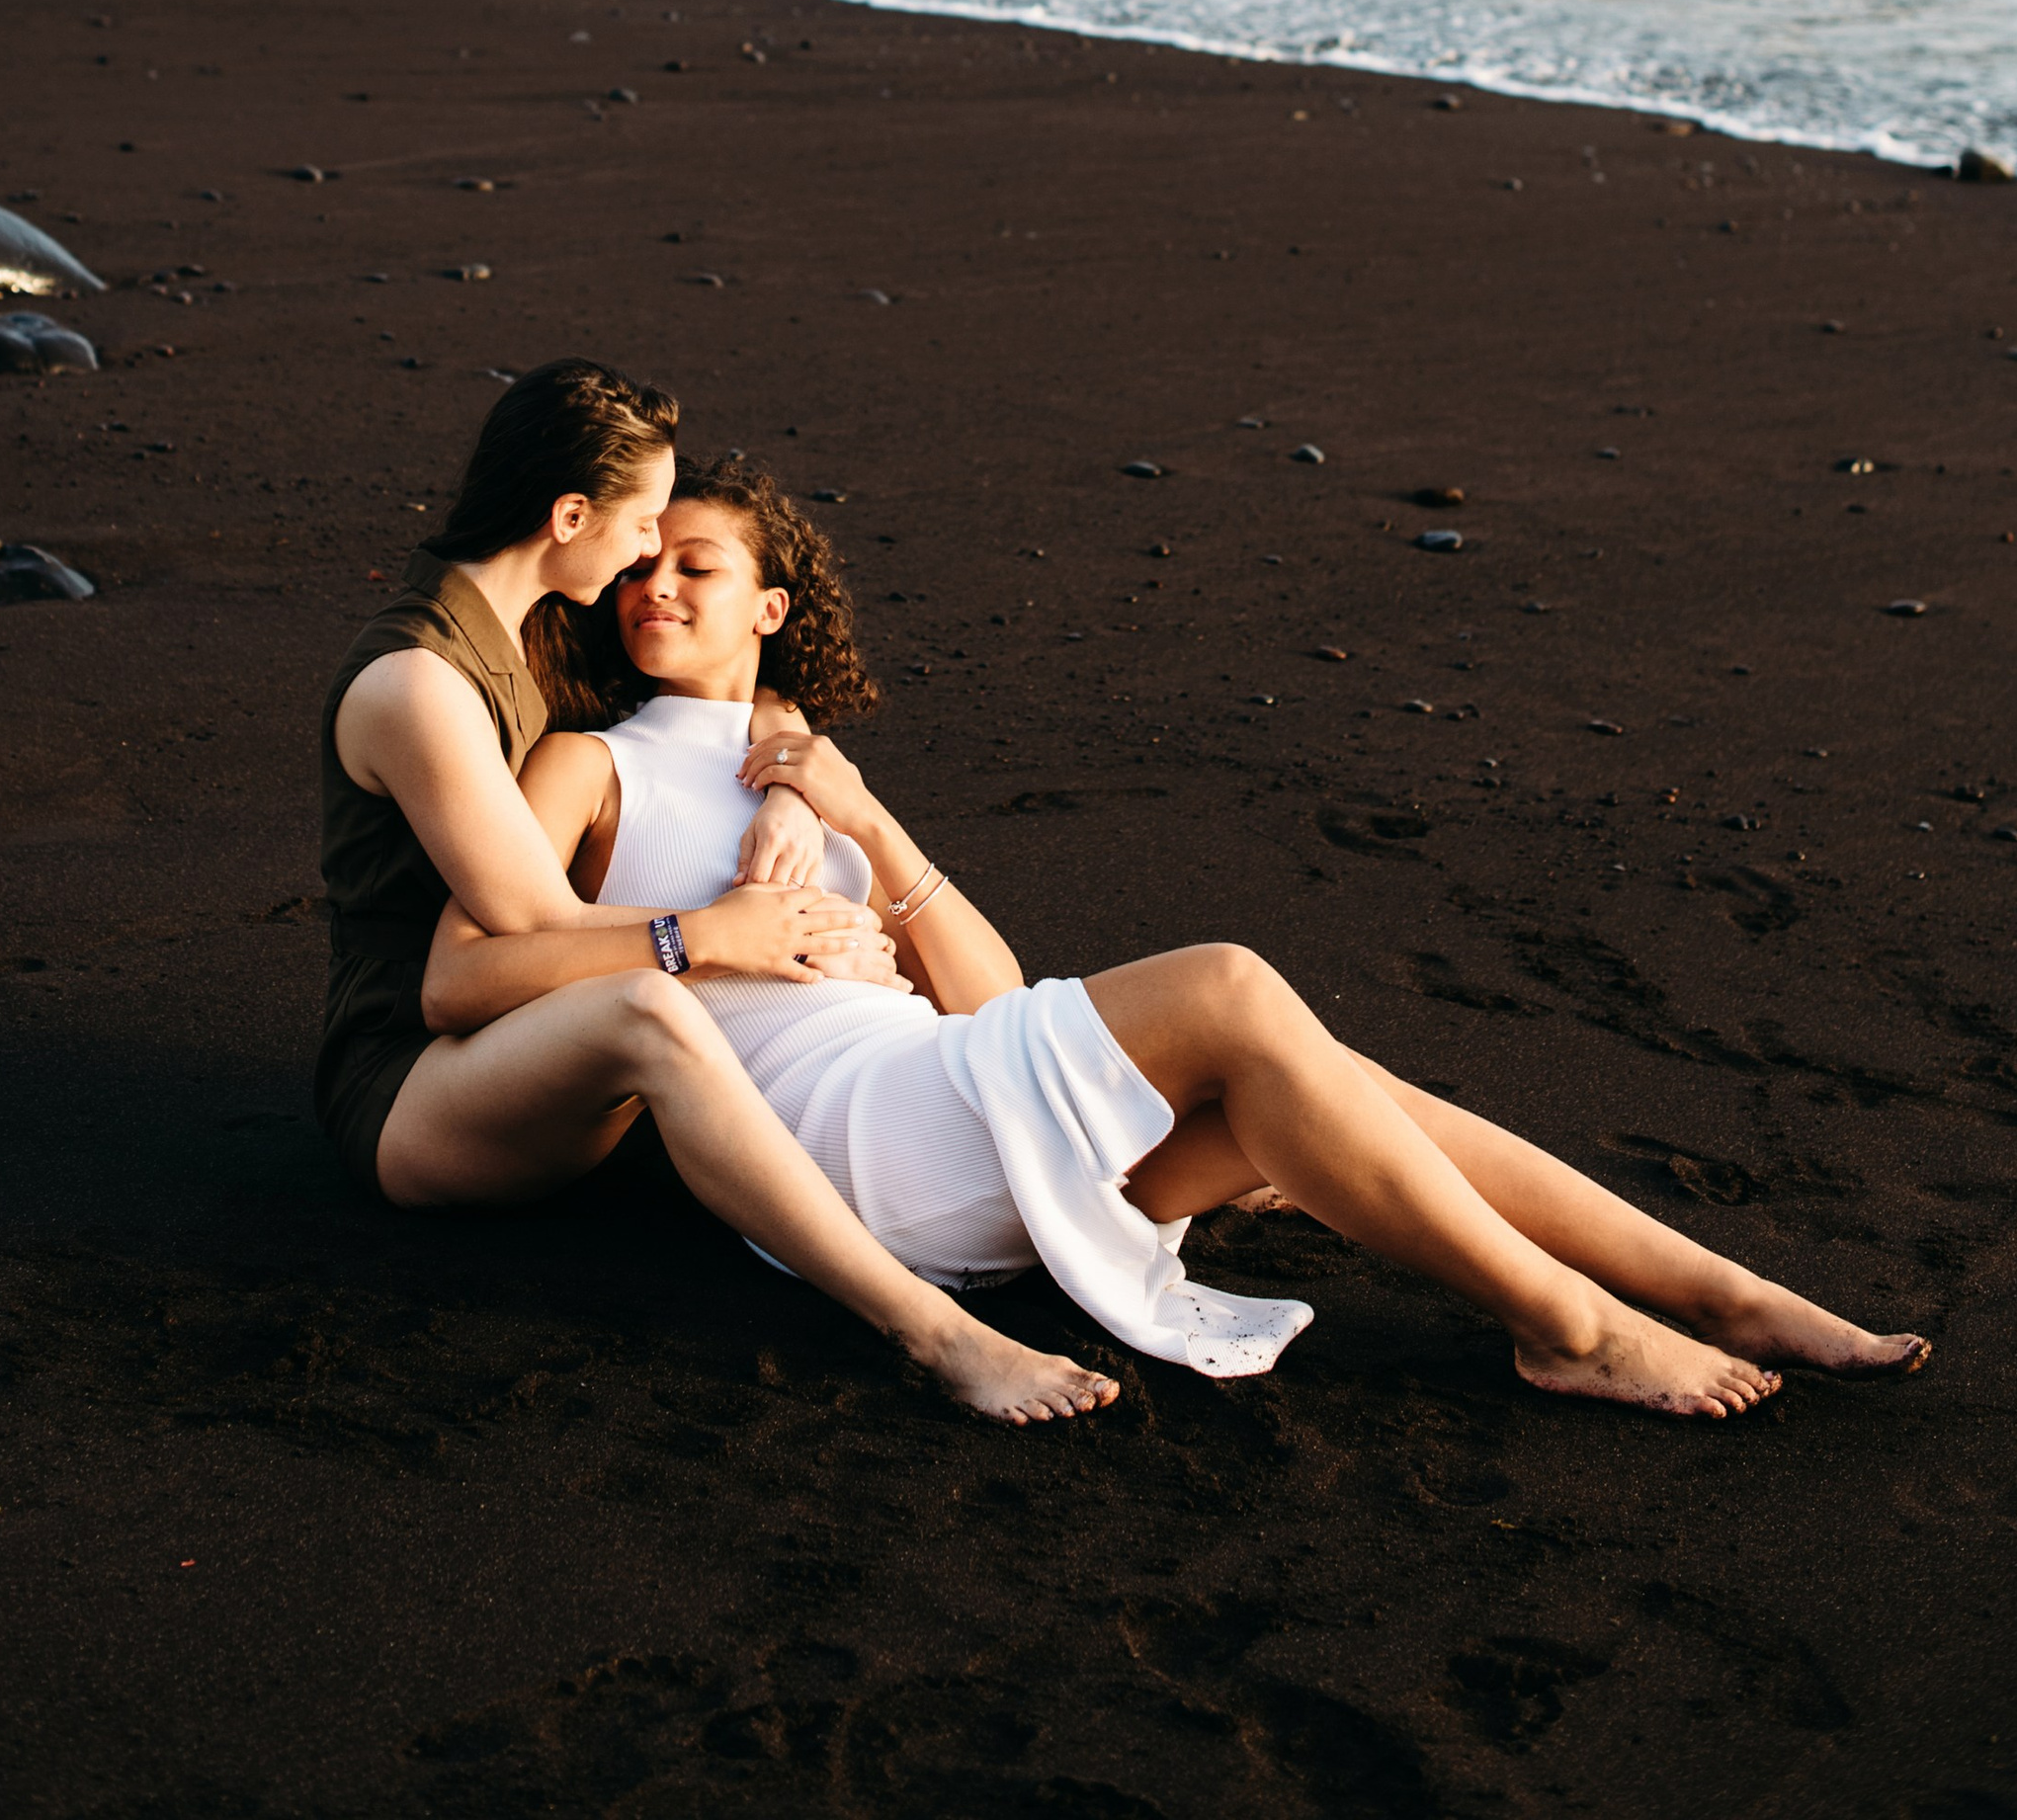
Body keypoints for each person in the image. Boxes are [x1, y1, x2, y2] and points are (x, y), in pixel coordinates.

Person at [429, 455, 1934, 1420]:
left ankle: (1721, 1290)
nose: (656, 585)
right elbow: (473, 974)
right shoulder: (586, 762)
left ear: (770, 608)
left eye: (695, 565)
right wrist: (711, 936)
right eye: (644, 565)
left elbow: (990, 1002)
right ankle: (1565, 1326)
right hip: (841, 1144)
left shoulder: (803, 766)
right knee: (1227, 987)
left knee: (1340, 1089)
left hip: (950, 1104)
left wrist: (867, 821)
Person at [317, 360, 1120, 1425]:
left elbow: (726, 684)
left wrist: (788, 774)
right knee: (651, 1004)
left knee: (670, 999)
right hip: (414, 1084)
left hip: (534, 1062)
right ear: (570, 517)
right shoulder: (421, 683)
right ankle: (935, 1332)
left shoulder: (525, 634)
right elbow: (527, 924)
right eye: (644, 524)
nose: (649, 556)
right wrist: (740, 932)